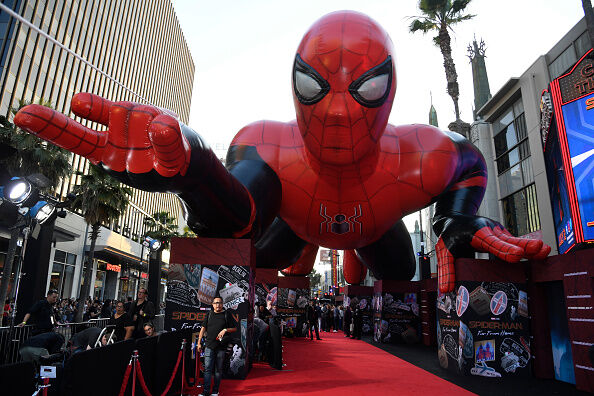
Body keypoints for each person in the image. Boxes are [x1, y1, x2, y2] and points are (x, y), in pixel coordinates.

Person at [13, 11, 550, 296]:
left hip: (374, 231)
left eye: (363, 89)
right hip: (295, 221)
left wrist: (458, 224)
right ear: (294, 86)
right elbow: (240, 215)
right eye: (316, 86)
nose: (339, 113)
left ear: (388, 89)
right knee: (266, 257)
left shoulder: (424, 152)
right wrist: (192, 167)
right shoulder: (266, 143)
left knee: (400, 269)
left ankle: (348, 266)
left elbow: (470, 166)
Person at [197, 296, 237, 396]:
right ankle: (205, 392)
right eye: (216, 303)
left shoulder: (226, 314)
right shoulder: (209, 314)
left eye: (219, 303)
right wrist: (198, 342)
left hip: (221, 347)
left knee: (218, 370)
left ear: (222, 304)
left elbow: (234, 329)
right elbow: (203, 329)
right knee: (207, 370)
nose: (217, 305)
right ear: (212, 305)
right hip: (209, 346)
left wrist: (225, 330)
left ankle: (215, 391)